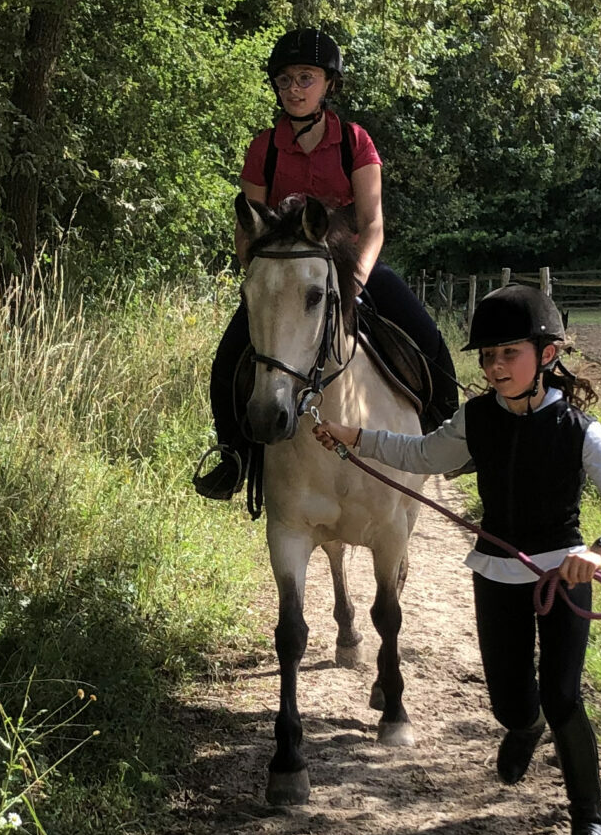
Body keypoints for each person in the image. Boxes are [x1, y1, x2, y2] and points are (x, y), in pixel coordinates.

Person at [311, 284, 601, 835]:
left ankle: (590, 822)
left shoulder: (579, 429)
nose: (495, 368)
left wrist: (599, 553)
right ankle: (524, 725)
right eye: (488, 357)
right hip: (496, 574)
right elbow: (419, 455)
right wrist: (354, 438)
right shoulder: (476, 421)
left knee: (564, 696)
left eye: (508, 354)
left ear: (546, 355)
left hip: (563, 578)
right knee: (511, 703)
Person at [193, 27, 460, 501]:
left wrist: (355, 282)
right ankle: (233, 454)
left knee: (426, 336)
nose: (293, 89)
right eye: (285, 81)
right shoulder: (264, 148)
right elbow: (249, 226)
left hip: (349, 264)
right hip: (286, 274)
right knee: (227, 361)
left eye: (305, 78)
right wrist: (257, 280)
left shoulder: (355, 142)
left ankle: (449, 434)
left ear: (328, 85)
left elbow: (373, 223)